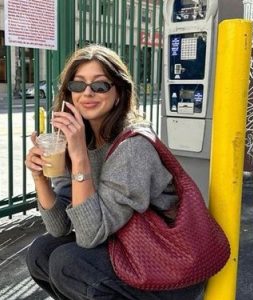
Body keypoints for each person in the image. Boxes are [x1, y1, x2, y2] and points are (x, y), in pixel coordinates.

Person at [25, 44, 204, 300]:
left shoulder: (133, 147)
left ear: (119, 93)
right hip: (120, 247)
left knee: (69, 262)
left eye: (100, 85)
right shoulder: (74, 140)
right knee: (41, 252)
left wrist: (79, 159)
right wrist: (39, 177)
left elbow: (88, 236)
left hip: (166, 266)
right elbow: (59, 228)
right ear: (69, 94)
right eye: (77, 85)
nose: (87, 93)